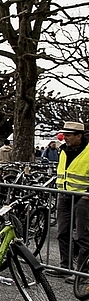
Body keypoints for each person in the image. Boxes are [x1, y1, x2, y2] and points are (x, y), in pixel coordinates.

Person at [54, 122, 89, 284]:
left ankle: (81, 272)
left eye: (68, 135)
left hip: (83, 199)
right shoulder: (64, 151)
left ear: (79, 136)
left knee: (82, 236)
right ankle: (64, 267)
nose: (64, 138)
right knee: (63, 232)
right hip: (65, 196)